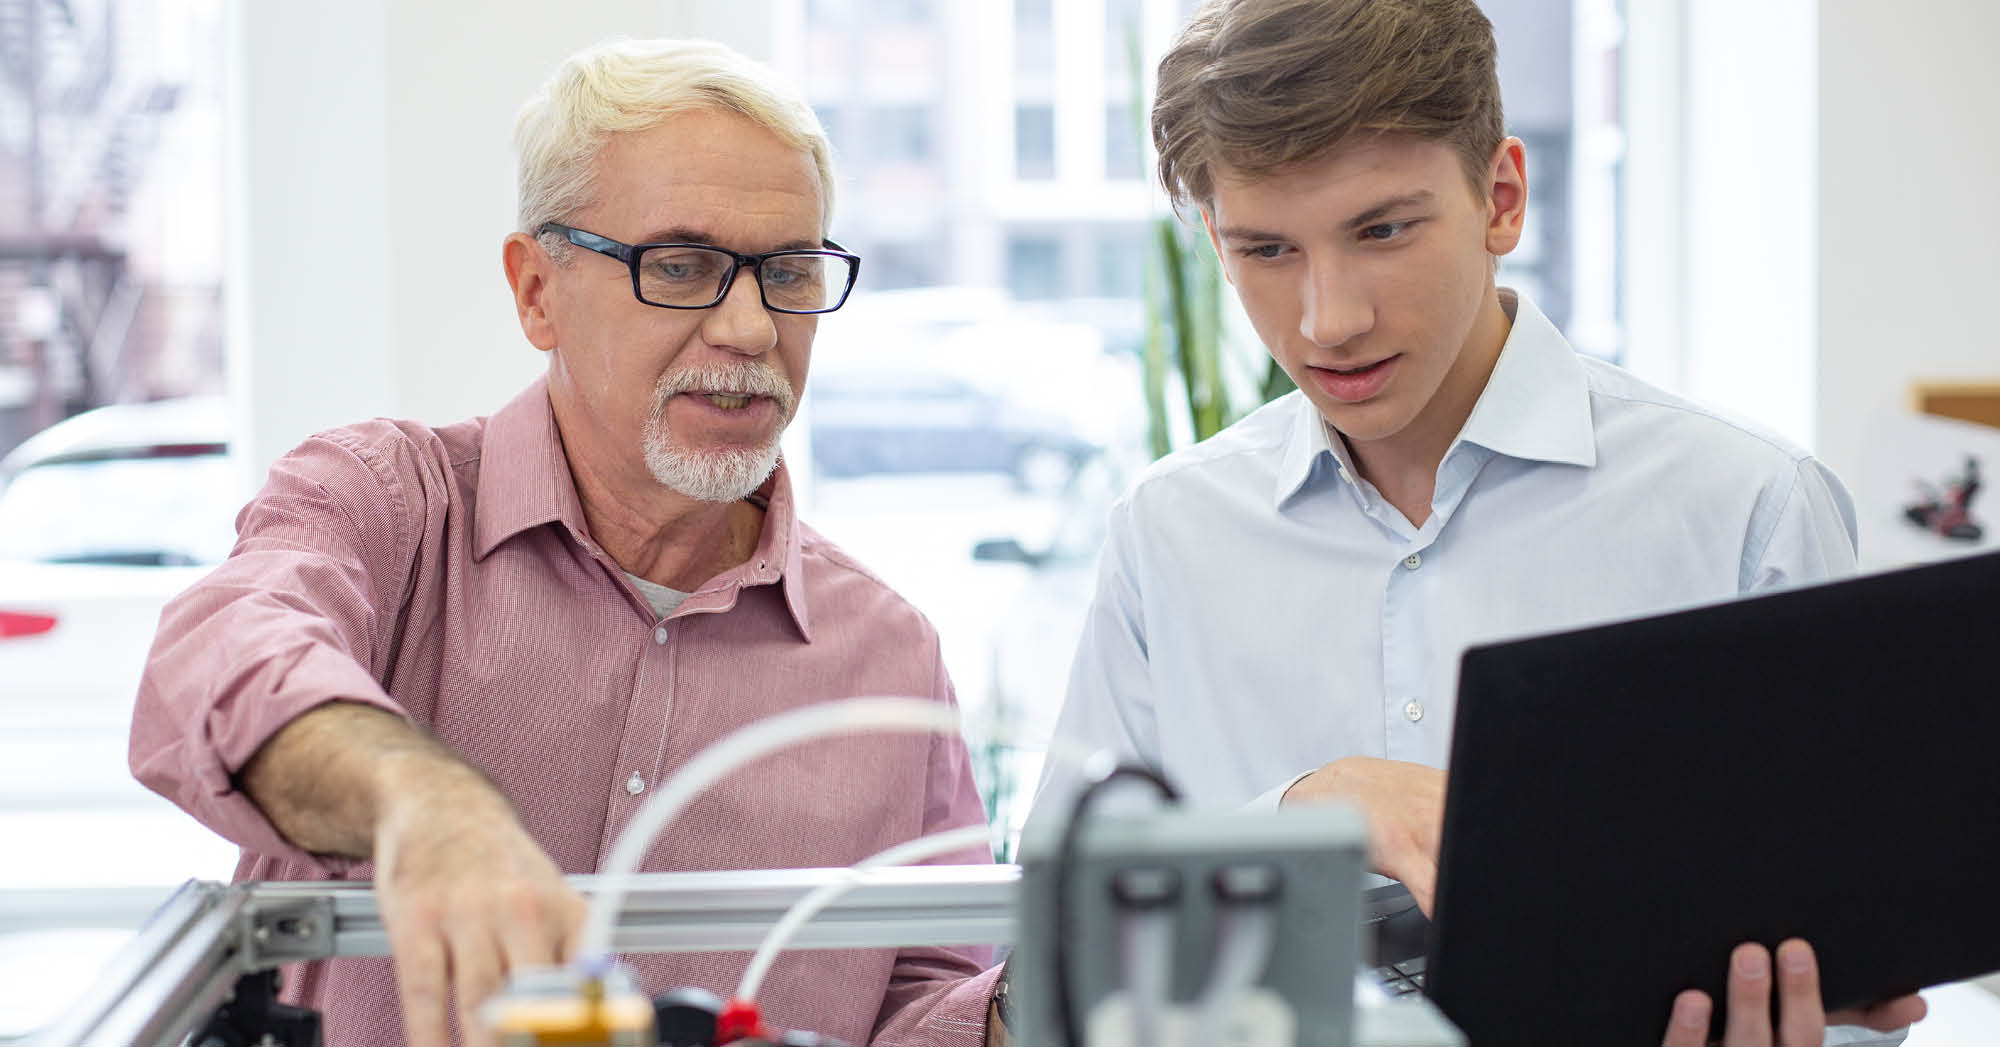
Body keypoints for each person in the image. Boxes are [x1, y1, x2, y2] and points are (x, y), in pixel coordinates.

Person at [1033, 1, 1927, 1043]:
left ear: (1499, 198)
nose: (1328, 320)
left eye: (1381, 230)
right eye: (1265, 250)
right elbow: (1055, 945)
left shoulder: (1745, 509)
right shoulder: (1167, 533)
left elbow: (1862, 973)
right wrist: (1302, 813)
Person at [129, 38, 1000, 1047]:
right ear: (537, 291)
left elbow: (922, 1001)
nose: (752, 328)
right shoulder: (386, 508)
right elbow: (221, 662)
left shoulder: (887, 656)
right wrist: (421, 801)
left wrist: (1030, 1002)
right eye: (682, 266)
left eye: (790, 272)